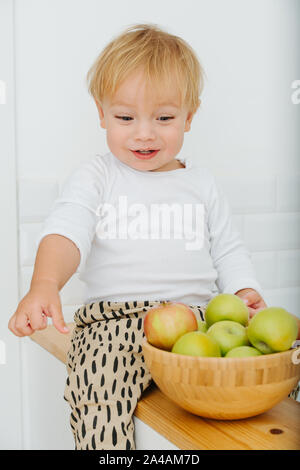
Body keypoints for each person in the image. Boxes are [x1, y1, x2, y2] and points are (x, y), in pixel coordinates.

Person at [8, 23, 299, 450]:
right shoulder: (98, 176)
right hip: (116, 321)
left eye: (164, 118)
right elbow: (67, 230)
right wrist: (45, 283)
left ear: (189, 115)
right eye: (126, 118)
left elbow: (228, 247)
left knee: (282, 363)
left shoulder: (200, 182)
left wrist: (245, 290)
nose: (145, 132)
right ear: (101, 112)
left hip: (201, 318)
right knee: (96, 384)